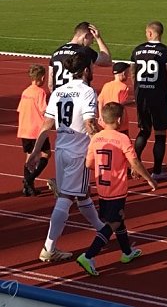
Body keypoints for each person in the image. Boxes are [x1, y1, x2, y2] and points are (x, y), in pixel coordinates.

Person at [25, 54, 107, 263]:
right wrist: (106, 141)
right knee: (66, 198)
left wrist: (35, 150)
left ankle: (102, 230)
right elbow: (89, 124)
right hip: (78, 152)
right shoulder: (88, 92)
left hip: (61, 149)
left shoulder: (58, 92)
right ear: (87, 70)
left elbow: (47, 124)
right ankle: (49, 247)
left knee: (81, 194)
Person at [76, 103, 155, 276]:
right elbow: (135, 162)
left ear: (102, 119)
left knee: (118, 218)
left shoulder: (95, 138)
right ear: (119, 120)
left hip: (102, 188)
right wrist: (148, 178)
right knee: (113, 222)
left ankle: (127, 252)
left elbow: (88, 164)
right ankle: (88, 256)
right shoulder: (122, 139)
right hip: (117, 188)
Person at [131, 21, 167, 181]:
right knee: (160, 133)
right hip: (159, 96)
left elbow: (133, 72)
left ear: (149, 33)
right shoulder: (166, 51)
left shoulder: (137, 50)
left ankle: (135, 164)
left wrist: (137, 90)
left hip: (142, 96)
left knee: (143, 131)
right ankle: (157, 170)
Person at [49, 21, 112, 91]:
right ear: (86, 36)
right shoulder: (85, 51)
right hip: (79, 95)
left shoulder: (56, 52)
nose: (92, 42)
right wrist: (98, 38)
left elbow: (50, 84)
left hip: (59, 97)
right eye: (92, 38)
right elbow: (107, 61)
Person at [18, 64, 50, 196]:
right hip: (36, 129)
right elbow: (44, 110)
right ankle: (29, 179)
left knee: (29, 158)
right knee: (46, 154)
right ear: (42, 78)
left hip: (24, 129)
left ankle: (28, 188)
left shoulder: (25, 92)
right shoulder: (40, 92)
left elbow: (20, 109)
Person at [98, 62, 132, 137]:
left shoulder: (106, 85)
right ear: (123, 73)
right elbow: (121, 104)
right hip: (119, 123)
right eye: (127, 73)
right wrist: (133, 102)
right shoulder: (123, 87)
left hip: (106, 121)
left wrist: (101, 116)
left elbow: (100, 102)